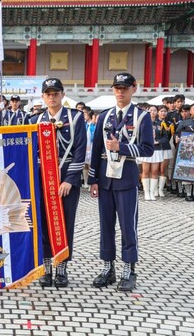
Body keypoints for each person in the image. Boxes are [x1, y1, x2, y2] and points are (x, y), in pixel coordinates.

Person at [88, 73, 154, 291]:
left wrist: (122, 147)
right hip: (106, 178)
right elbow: (97, 149)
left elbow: (147, 149)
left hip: (126, 177)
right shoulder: (105, 116)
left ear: (134, 88)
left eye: (125, 87)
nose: (120, 91)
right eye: (117, 87)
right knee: (106, 225)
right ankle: (108, 268)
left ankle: (129, 269)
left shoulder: (141, 117)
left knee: (128, 226)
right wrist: (93, 179)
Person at [31, 78, 86, 288]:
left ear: (63, 95)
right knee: (43, 224)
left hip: (66, 182)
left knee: (65, 223)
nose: (52, 97)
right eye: (48, 94)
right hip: (42, 181)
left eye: (55, 93)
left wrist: (70, 180)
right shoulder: (35, 120)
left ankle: (62, 267)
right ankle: (46, 268)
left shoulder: (75, 118)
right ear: (43, 97)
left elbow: (80, 151)